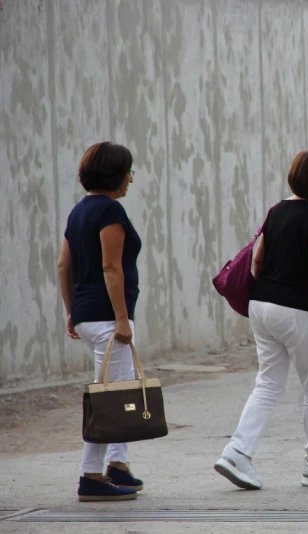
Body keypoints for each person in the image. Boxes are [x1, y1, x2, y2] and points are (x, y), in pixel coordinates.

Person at [214, 151, 308, 489]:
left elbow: (259, 260)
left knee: (268, 383)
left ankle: (237, 452)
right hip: (299, 311)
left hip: (262, 306)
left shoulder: (277, 211)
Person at [57, 142, 143, 501]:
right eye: (129, 172)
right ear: (116, 175)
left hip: (89, 315)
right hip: (108, 318)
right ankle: (90, 476)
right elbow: (111, 267)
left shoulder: (79, 211)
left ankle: (117, 465)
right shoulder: (110, 211)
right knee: (107, 400)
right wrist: (122, 319)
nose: (131, 179)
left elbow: (64, 265)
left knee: (115, 392)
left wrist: (72, 310)